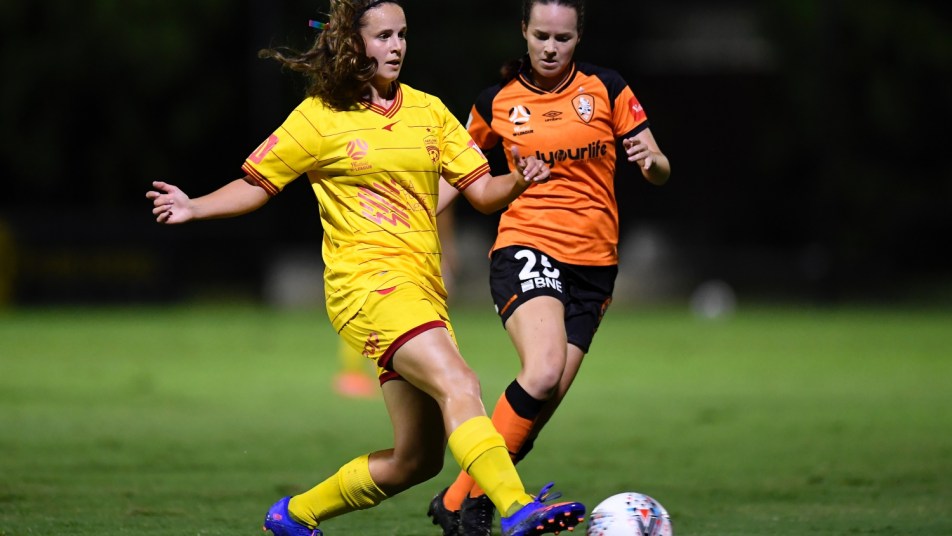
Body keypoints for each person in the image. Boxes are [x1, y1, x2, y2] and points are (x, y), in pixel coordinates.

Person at [145, 1, 586, 535]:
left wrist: (517, 178)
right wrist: (195, 205)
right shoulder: (320, 116)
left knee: (416, 460)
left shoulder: (428, 111)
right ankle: (516, 507)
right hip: (366, 289)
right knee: (459, 382)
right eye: (382, 36)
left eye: (402, 35)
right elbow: (257, 183)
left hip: (421, 293)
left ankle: (295, 515)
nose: (396, 46)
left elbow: (483, 194)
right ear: (354, 44)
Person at [427, 1, 671, 535]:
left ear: (578, 37)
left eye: (562, 38)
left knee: (544, 397)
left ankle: (458, 500)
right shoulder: (496, 102)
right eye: (541, 35)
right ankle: (483, 506)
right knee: (540, 371)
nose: (550, 47)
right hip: (527, 246)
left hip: (596, 266)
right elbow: (460, 174)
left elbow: (660, 165)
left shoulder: (607, 88)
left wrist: (650, 163)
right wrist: (416, 214)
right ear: (524, 32)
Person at [332, 208, 457, 400]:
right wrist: (447, 250)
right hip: (402, 259)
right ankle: (362, 371)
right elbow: (439, 212)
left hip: (394, 255)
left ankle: (366, 370)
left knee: (373, 313)